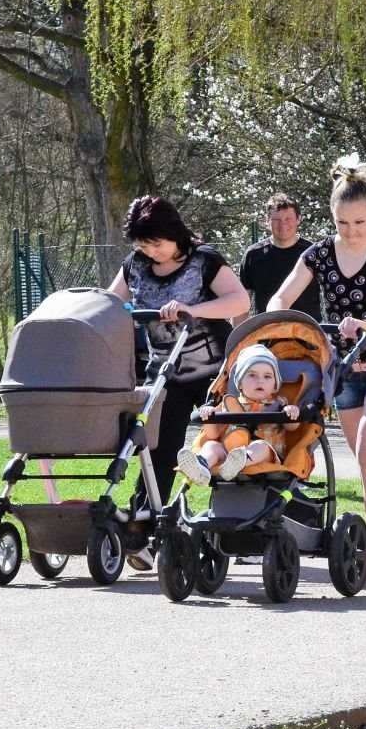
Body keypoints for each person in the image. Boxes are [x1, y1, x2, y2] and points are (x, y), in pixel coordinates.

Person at [269, 160, 366, 580]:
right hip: (345, 370)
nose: (351, 231)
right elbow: (278, 301)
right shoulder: (317, 254)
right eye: (342, 222)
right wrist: (290, 327)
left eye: (359, 221)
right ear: (331, 217)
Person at [107, 195, 250, 552]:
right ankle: (145, 523)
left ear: (175, 233)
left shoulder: (205, 261)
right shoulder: (134, 266)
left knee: (226, 442)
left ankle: (239, 526)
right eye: (143, 244)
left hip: (213, 371)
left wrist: (192, 308)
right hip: (164, 373)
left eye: (156, 243)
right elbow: (108, 304)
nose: (151, 251)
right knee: (156, 446)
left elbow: (239, 302)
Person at [176, 343, 300, 486]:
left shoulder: (279, 404)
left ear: (274, 386)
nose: (260, 380)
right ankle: (202, 466)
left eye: (267, 377)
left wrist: (291, 413)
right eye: (252, 375)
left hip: (265, 455)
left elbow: (292, 428)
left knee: (260, 446)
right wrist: (209, 417)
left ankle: (241, 461)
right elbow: (212, 434)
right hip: (229, 452)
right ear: (240, 383)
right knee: (212, 445)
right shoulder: (229, 403)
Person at [236, 193, 321, 321]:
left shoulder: (313, 254)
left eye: (288, 219)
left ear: (298, 219)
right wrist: (238, 339)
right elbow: (241, 305)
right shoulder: (253, 255)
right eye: (276, 220)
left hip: (307, 333)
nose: (283, 224)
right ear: (267, 221)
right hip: (266, 332)